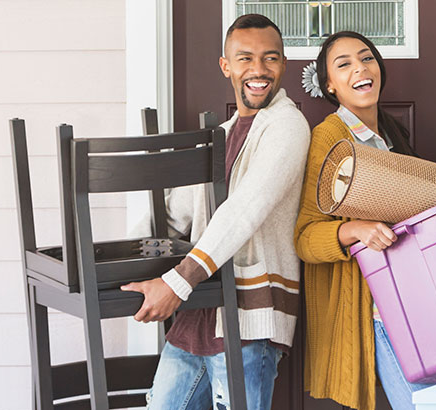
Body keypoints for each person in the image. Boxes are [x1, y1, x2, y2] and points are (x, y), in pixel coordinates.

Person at [121, 13, 311, 410]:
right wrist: (115, 263)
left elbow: (245, 210)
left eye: (270, 58)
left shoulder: (288, 126)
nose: (258, 70)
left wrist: (175, 283)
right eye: (245, 58)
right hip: (195, 316)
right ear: (226, 66)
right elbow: (172, 216)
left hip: (249, 321)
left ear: (283, 64)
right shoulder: (218, 136)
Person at [294, 31, 431, 410]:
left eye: (366, 58)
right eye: (344, 64)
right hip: (378, 309)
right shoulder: (329, 137)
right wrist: (356, 230)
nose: (360, 68)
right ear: (330, 86)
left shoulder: (391, 135)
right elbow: (305, 237)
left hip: (417, 300)